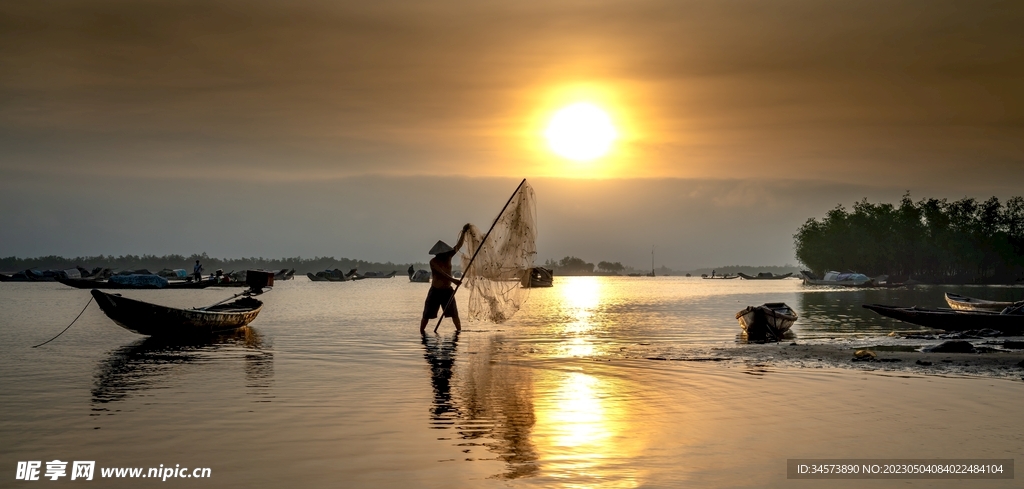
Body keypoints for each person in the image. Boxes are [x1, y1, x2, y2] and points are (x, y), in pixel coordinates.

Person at [420, 224, 470, 333]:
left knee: (454, 314)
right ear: (437, 254)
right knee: (427, 315)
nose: (442, 255)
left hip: (447, 291)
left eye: (443, 253)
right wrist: (454, 280)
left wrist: (464, 232)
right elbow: (441, 273)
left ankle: (459, 333)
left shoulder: (449, 256)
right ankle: (422, 333)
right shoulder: (433, 262)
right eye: (440, 254)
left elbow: (459, 245)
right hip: (435, 291)